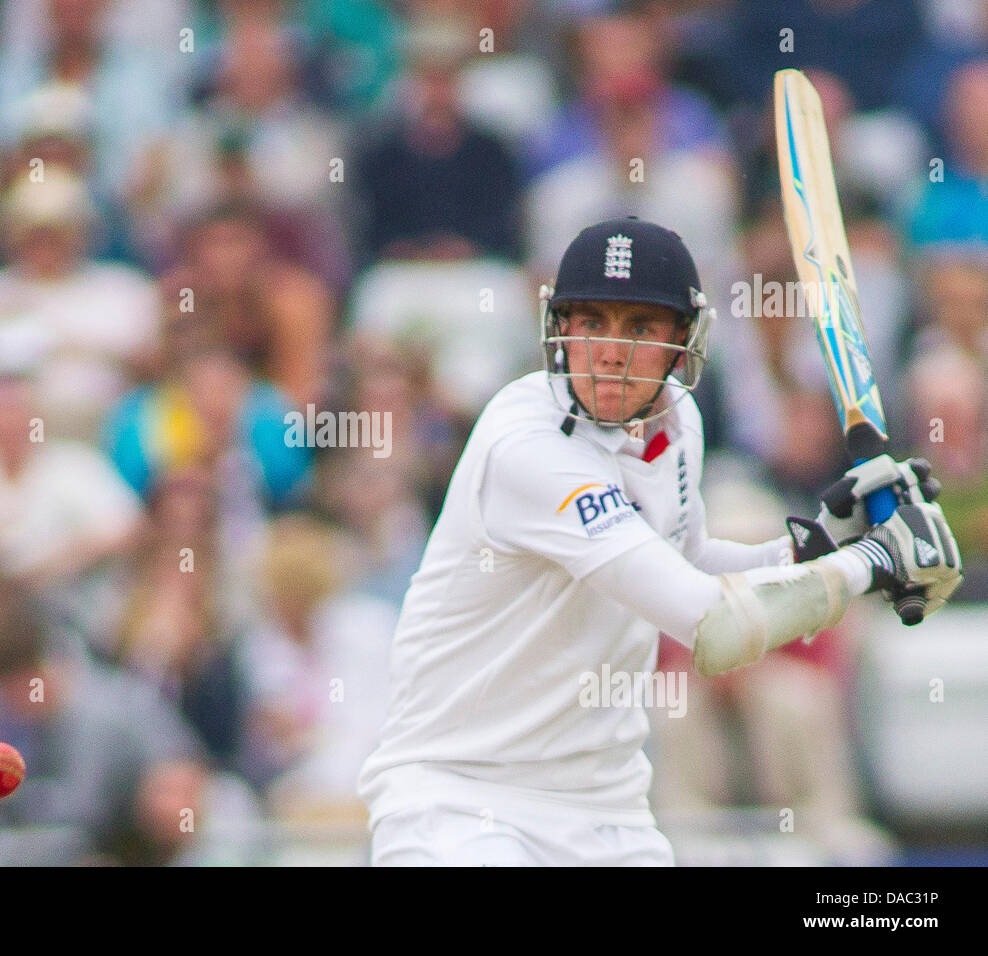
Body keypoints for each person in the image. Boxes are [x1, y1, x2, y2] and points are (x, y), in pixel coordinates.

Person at [357, 217, 963, 866]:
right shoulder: (528, 447)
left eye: (640, 327)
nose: (610, 351)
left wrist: (811, 548)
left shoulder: (678, 422)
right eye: (591, 321)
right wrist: (868, 565)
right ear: (558, 327)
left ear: (683, 340)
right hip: (461, 802)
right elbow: (711, 624)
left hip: (605, 810)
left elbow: (682, 560)